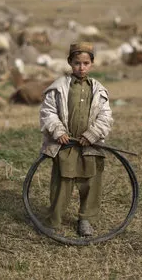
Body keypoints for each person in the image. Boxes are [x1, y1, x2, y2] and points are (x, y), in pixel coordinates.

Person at [39, 42, 113, 237]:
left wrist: (92, 134)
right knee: (62, 184)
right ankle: (54, 221)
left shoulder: (99, 90)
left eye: (86, 63)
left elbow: (106, 117)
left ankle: (85, 220)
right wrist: (57, 131)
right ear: (70, 62)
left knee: (91, 183)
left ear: (92, 64)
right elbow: (48, 112)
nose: (82, 67)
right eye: (77, 63)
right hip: (66, 145)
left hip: (90, 145)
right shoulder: (59, 88)